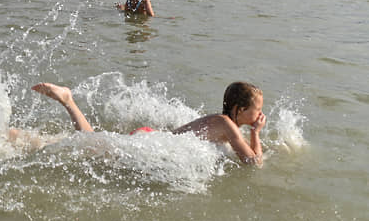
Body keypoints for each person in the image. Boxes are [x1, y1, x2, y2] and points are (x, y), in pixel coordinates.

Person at [32, 80, 265, 166]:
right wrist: (256, 133)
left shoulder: (224, 123)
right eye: (258, 110)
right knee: (90, 145)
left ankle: (30, 139)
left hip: (151, 139)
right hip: (149, 145)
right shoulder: (226, 124)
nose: (260, 115)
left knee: (89, 147)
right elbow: (253, 162)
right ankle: (67, 100)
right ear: (241, 109)